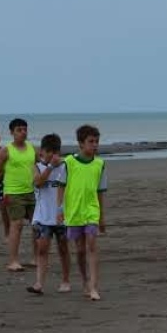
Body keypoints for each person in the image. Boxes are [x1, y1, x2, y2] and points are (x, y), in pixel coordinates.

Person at [57, 124, 107, 300]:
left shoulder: (100, 164)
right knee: (79, 250)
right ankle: (85, 281)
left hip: (91, 211)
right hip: (74, 211)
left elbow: (100, 192)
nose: (94, 145)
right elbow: (61, 187)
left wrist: (101, 216)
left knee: (92, 244)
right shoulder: (69, 163)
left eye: (97, 141)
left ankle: (94, 286)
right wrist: (60, 209)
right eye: (91, 141)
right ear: (81, 143)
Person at [0, 118, 38, 271]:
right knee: (17, 224)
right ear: (12, 132)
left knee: (36, 225)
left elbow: (40, 167)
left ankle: (36, 258)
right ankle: (13, 261)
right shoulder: (6, 150)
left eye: (25, 129)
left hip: (32, 192)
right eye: (19, 130)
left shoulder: (32, 149)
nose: (23, 132)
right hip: (13, 192)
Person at [27, 134, 74, 295]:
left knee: (63, 249)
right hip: (42, 217)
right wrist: (50, 167)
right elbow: (38, 183)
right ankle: (39, 283)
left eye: (55, 152)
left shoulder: (66, 167)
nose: (52, 156)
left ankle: (66, 280)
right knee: (42, 249)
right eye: (49, 152)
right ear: (42, 152)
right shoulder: (37, 167)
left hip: (61, 216)